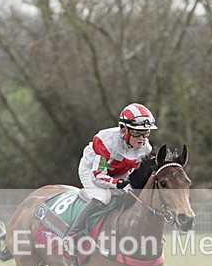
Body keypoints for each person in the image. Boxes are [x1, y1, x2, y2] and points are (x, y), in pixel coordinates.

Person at [65, 102, 158, 238]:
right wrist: (118, 183)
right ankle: (72, 234)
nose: (141, 139)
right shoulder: (106, 142)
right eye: (137, 133)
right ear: (124, 130)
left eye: (145, 133)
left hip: (118, 172)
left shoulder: (146, 148)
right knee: (103, 197)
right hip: (91, 171)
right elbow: (97, 176)